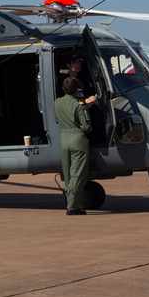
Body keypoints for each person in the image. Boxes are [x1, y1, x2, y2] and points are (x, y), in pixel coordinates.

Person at [55, 77, 92, 215]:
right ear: (76, 90)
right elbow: (86, 126)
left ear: (63, 89)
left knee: (68, 174)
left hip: (64, 139)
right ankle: (73, 206)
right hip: (77, 138)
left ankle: (70, 202)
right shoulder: (78, 105)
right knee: (77, 175)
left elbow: (57, 119)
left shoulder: (57, 103)